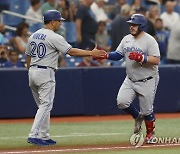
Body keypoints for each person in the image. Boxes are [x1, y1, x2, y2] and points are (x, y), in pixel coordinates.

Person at [25, 10, 106, 146]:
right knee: (46, 105)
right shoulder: (54, 36)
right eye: (58, 21)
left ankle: (44, 135)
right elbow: (71, 51)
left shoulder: (33, 35)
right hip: (45, 72)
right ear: (52, 22)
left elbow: (28, 56)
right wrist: (91, 53)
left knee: (43, 106)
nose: (60, 23)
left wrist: (30, 71)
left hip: (32, 71)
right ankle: (34, 135)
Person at [95, 14, 160, 143]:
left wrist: (142, 58)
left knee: (147, 110)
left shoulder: (150, 40)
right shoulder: (126, 39)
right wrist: (105, 55)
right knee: (121, 102)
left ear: (142, 26)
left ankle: (150, 134)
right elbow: (118, 54)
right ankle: (137, 116)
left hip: (147, 79)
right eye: (131, 24)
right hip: (130, 79)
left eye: (134, 25)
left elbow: (156, 59)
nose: (131, 27)